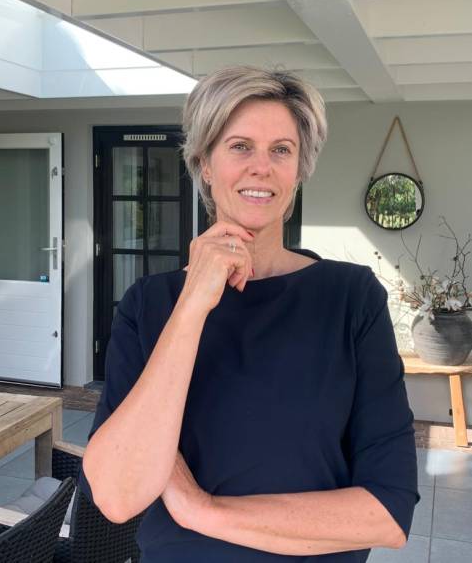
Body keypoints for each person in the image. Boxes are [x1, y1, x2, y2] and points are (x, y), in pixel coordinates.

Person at [79, 65, 421, 562]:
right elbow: (115, 495)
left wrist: (201, 510)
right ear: (205, 163)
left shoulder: (351, 298)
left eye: (281, 150)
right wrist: (192, 305)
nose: (262, 167)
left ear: (299, 170)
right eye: (240, 146)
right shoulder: (149, 305)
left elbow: (387, 514)